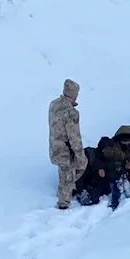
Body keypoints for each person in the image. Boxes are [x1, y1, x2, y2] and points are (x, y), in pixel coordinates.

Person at [75, 126, 130, 209]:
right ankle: (122, 191)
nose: (126, 143)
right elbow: (107, 162)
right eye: (124, 141)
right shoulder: (112, 147)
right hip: (117, 172)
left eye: (128, 141)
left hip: (129, 169)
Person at [48, 78, 88, 210]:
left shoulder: (53, 104)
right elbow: (74, 137)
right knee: (71, 174)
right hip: (66, 150)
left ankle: (64, 191)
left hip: (54, 146)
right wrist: (80, 155)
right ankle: (63, 204)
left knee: (63, 173)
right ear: (74, 94)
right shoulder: (71, 112)